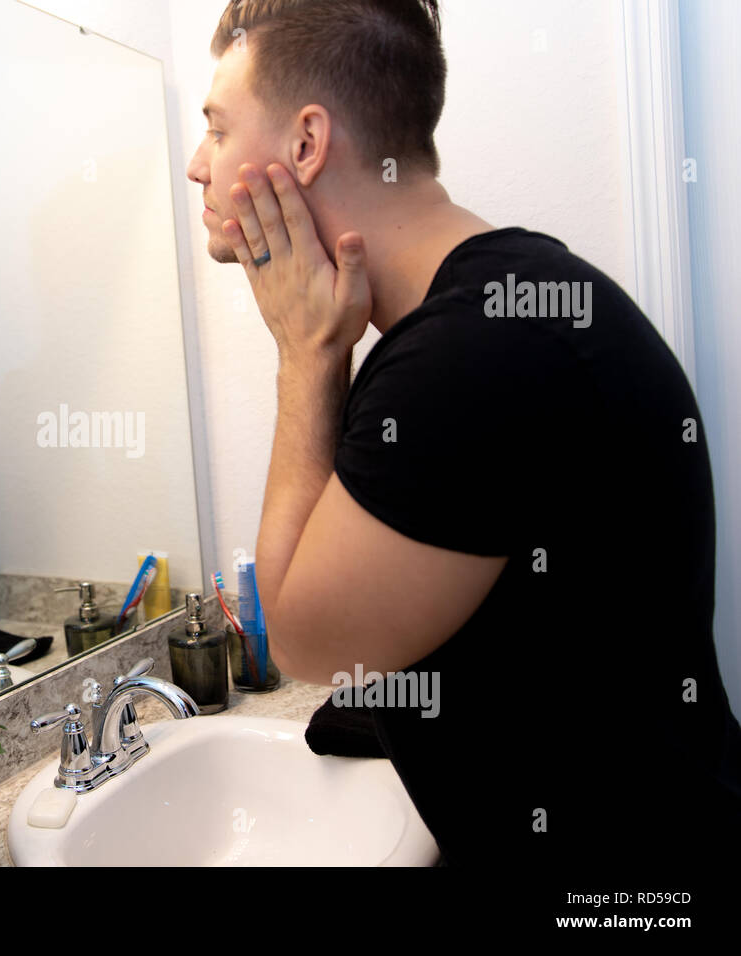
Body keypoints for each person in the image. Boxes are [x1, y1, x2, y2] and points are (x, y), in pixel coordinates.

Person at [188, 0, 741, 866]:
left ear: (306, 144)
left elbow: (300, 639)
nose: (198, 165)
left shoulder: (469, 357)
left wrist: (305, 354)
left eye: (218, 129)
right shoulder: (499, 305)